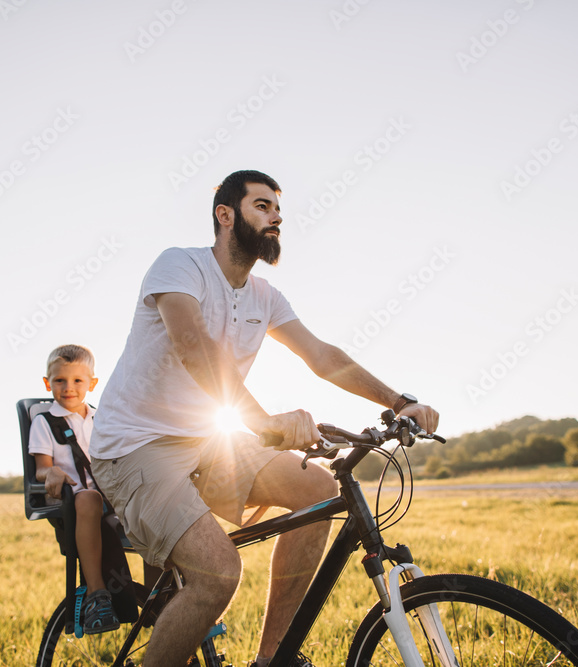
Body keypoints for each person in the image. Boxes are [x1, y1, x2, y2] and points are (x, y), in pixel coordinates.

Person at [90, 170, 439, 667]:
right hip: (135, 447)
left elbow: (322, 355)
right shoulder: (180, 266)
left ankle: (272, 660)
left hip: (206, 443)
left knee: (319, 491)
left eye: (278, 209)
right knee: (216, 574)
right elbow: (194, 348)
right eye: (262, 206)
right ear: (225, 216)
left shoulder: (265, 296)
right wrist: (261, 422)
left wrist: (397, 401)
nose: (275, 216)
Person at [28, 344, 120, 634]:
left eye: (78, 380)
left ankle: (163, 595)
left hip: (111, 497)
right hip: (73, 501)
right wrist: (51, 471)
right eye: (60, 380)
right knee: (90, 498)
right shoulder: (44, 422)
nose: (69, 388)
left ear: (92, 383)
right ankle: (97, 594)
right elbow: (41, 468)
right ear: (47, 383)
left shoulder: (102, 419)